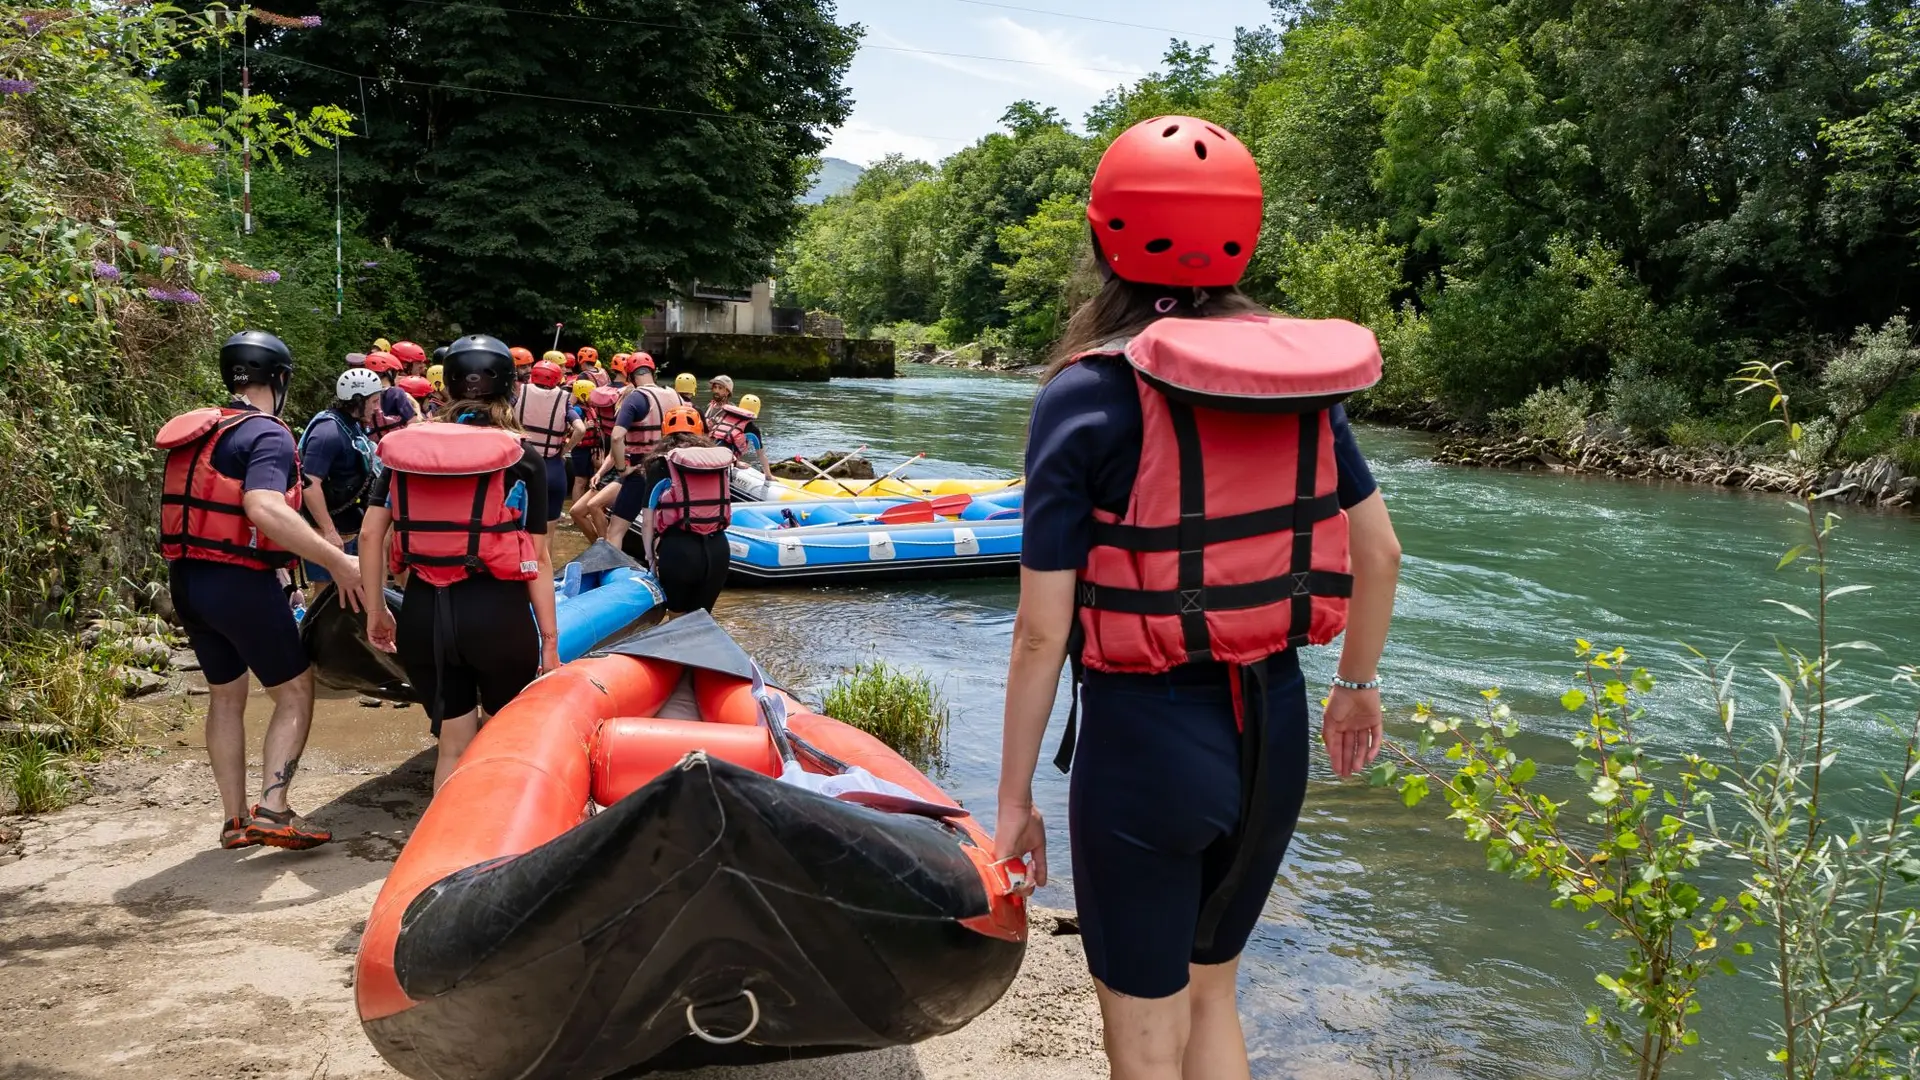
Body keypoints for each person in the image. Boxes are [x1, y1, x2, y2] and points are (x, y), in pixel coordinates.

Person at [991, 116, 1404, 1080]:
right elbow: (1379, 554)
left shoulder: (1085, 395)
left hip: (1145, 743)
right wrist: (1357, 686)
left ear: (1105, 238)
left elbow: (1041, 630)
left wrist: (1014, 802)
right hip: (1276, 726)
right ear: (1244, 236)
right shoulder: (1299, 382)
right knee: (1211, 990)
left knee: (1142, 1032)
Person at [157, 331, 367, 851]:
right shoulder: (267, 434)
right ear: (278, 378)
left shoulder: (205, 431)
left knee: (226, 697)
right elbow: (264, 508)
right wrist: (339, 560)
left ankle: (234, 821)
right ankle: (272, 810)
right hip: (238, 583)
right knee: (295, 689)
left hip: (187, 582)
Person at [360, 334, 560, 792]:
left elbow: (371, 534)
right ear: (510, 387)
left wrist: (376, 610)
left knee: (452, 744)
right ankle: (490, 849)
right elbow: (540, 559)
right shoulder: (523, 457)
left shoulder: (404, 450)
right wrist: (549, 643)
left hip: (424, 613)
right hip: (496, 616)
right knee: (500, 740)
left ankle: (441, 850)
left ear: (445, 385)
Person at [637, 418, 734, 615]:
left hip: (680, 551)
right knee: (702, 619)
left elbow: (647, 521)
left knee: (677, 619)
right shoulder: (718, 464)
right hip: (719, 549)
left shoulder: (660, 464)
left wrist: (651, 559)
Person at [297, 368, 385, 581]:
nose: (378, 408)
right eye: (374, 401)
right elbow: (310, 484)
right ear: (357, 400)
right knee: (327, 594)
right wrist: (328, 531)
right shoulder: (328, 433)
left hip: (348, 525)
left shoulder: (352, 425)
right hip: (327, 531)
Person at [600, 354, 685, 553]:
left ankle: (614, 573)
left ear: (630, 377)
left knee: (615, 531)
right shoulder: (676, 396)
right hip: (672, 471)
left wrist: (622, 470)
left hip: (642, 471)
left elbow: (616, 437)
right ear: (653, 372)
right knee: (663, 527)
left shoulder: (636, 398)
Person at [515, 358, 583, 526]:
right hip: (553, 469)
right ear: (557, 379)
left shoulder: (518, 394)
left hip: (522, 467)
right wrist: (565, 450)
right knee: (547, 533)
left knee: (518, 527)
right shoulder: (563, 399)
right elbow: (581, 429)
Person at [707, 392, 770, 476]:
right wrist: (769, 476)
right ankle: (734, 462)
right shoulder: (752, 428)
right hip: (722, 459)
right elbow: (761, 455)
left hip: (708, 450)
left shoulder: (724, 416)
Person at [364, 350, 416, 439]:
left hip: (372, 446)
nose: (399, 378)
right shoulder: (397, 393)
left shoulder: (364, 395)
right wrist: (416, 406)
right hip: (395, 444)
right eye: (397, 374)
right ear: (389, 373)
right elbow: (413, 423)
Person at [568, 378, 600, 507]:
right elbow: (569, 429)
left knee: (587, 480)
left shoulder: (590, 408)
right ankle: (576, 512)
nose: (594, 398)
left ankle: (583, 508)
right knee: (580, 480)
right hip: (580, 450)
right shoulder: (577, 410)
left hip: (590, 449)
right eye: (592, 394)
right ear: (583, 395)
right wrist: (585, 427)